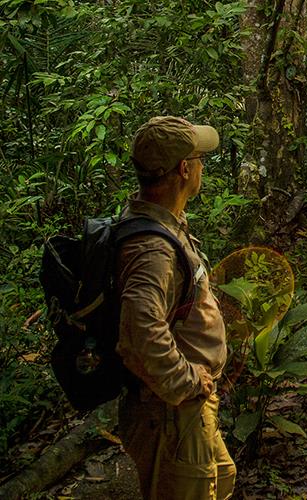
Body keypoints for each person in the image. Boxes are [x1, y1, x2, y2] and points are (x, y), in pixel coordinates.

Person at [115, 116, 236, 499]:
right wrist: (186, 380)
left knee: (222, 479)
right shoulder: (153, 249)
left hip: (189, 411)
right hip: (172, 415)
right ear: (185, 169)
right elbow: (140, 331)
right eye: (199, 159)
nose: (201, 166)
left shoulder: (163, 225)